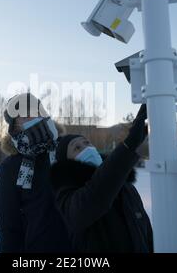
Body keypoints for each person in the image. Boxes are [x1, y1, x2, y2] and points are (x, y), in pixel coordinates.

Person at [49, 104, 153, 253]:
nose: (86, 148)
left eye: (87, 143)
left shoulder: (125, 186)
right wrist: (129, 145)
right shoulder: (67, 194)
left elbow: (144, 230)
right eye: (77, 148)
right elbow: (90, 202)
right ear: (67, 162)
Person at [0, 93, 72, 253]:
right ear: (14, 126)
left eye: (34, 110)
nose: (31, 116)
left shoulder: (69, 149)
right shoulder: (11, 167)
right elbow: (9, 225)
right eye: (23, 114)